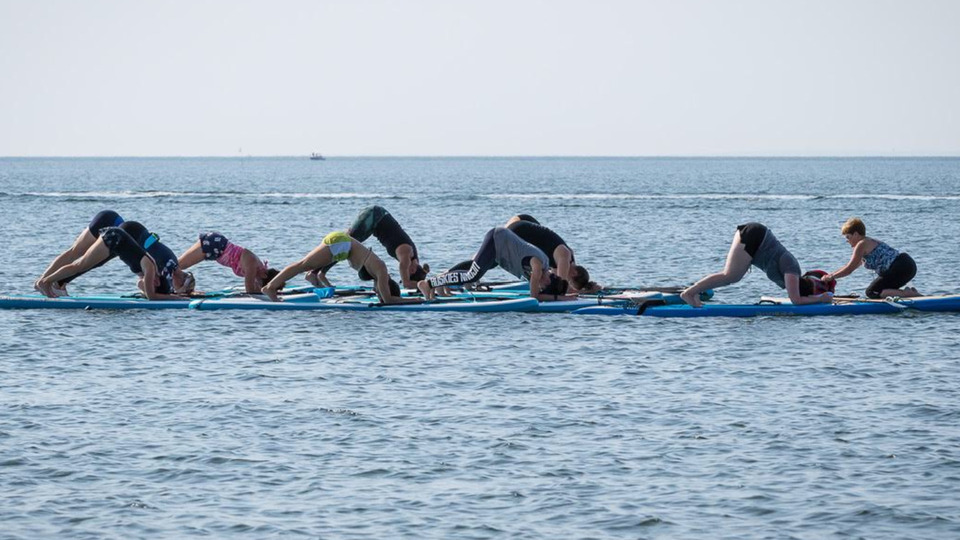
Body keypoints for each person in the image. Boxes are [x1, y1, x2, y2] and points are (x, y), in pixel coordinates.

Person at [680, 222, 834, 307]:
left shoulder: (793, 275)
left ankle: (694, 293)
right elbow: (796, 300)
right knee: (730, 276)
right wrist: (820, 299)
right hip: (755, 236)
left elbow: (796, 297)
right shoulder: (793, 270)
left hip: (755, 239)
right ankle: (689, 293)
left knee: (732, 276)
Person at [417, 227, 574, 302]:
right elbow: (534, 297)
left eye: (541, 288)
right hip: (497, 240)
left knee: (474, 271)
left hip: (500, 253)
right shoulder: (539, 267)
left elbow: (536, 294)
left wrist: (560, 296)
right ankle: (428, 284)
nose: (539, 286)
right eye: (543, 286)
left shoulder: (543, 270)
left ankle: (440, 282)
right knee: (473, 275)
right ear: (549, 280)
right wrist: (560, 298)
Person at [36, 221, 185, 300]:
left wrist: (169, 295)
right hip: (114, 237)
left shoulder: (151, 274)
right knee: (79, 266)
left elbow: (142, 286)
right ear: (157, 282)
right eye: (151, 284)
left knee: (81, 265)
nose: (147, 284)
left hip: (116, 238)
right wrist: (176, 298)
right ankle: (45, 282)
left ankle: (49, 282)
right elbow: (152, 296)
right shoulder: (151, 269)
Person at [262, 231, 417, 304]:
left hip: (342, 247)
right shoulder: (382, 271)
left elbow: (386, 298)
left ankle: (272, 286)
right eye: (379, 292)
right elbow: (388, 300)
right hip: (342, 244)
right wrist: (415, 300)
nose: (377, 292)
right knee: (302, 265)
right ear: (387, 287)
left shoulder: (378, 275)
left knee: (303, 265)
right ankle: (270, 287)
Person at [306, 206, 428, 289]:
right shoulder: (407, 253)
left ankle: (320, 273)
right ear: (412, 270)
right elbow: (406, 282)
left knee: (345, 246)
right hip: (373, 216)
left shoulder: (413, 262)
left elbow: (415, 274)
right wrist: (420, 285)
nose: (404, 273)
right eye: (407, 273)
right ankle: (315, 273)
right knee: (343, 245)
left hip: (374, 223)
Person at [823, 217, 920, 299]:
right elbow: (851, 266)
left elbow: (849, 269)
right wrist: (831, 275)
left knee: (872, 292)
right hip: (908, 265)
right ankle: (908, 293)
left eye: (848, 237)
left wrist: (832, 277)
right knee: (878, 290)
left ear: (856, 234)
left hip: (901, 267)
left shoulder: (862, 244)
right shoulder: (868, 242)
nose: (847, 241)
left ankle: (907, 294)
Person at [35, 210, 125, 297]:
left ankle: (59, 284)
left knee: (92, 262)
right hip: (109, 220)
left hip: (117, 236)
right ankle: (42, 282)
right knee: (75, 252)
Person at [504, 215, 596, 292]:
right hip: (519, 229)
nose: (568, 283)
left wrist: (586, 289)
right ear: (574, 273)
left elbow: (554, 285)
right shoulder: (565, 257)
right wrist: (587, 292)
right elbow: (560, 287)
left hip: (520, 226)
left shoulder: (566, 259)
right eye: (569, 282)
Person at [176, 232, 279, 294]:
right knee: (178, 266)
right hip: (215, 244)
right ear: (264, 275)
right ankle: (176, 285)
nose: (257, 283)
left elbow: (255, 289)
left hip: (216, 249)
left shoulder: (258, 271)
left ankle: (181, 283)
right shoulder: (253, 265)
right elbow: (250, 289)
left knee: (177, 265)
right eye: (260, 282)